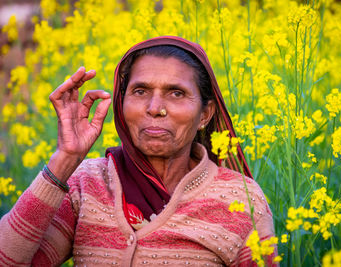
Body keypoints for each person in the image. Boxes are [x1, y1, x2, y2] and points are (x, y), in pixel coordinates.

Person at [0, 36, 276, 266]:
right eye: (140, 91)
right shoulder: (87, 183)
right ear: (121, 104)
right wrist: (65, 159)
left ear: (204, 114)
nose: (155, 108)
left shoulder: (241, 201)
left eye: (176, 93)